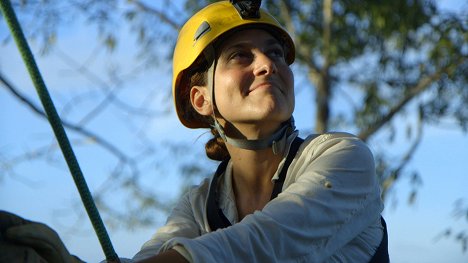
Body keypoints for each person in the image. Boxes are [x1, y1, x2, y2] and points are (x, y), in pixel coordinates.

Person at [0, 1, 388, 262]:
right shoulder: (200, 206)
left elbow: (262, 244)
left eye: (273, 53)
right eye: (242, 56)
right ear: (201, 100)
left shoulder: (343, 158)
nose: (267, 65)